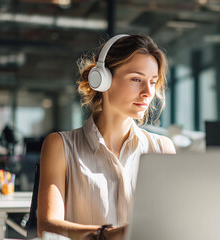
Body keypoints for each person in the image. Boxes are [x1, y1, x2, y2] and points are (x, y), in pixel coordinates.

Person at [37, 34, 176, 240]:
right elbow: (47, 226)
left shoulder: (162, 148)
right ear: (103, 80)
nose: (148, 92)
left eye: (153, 82)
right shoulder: (60, 146)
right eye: (136, 79)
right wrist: (108, 235)